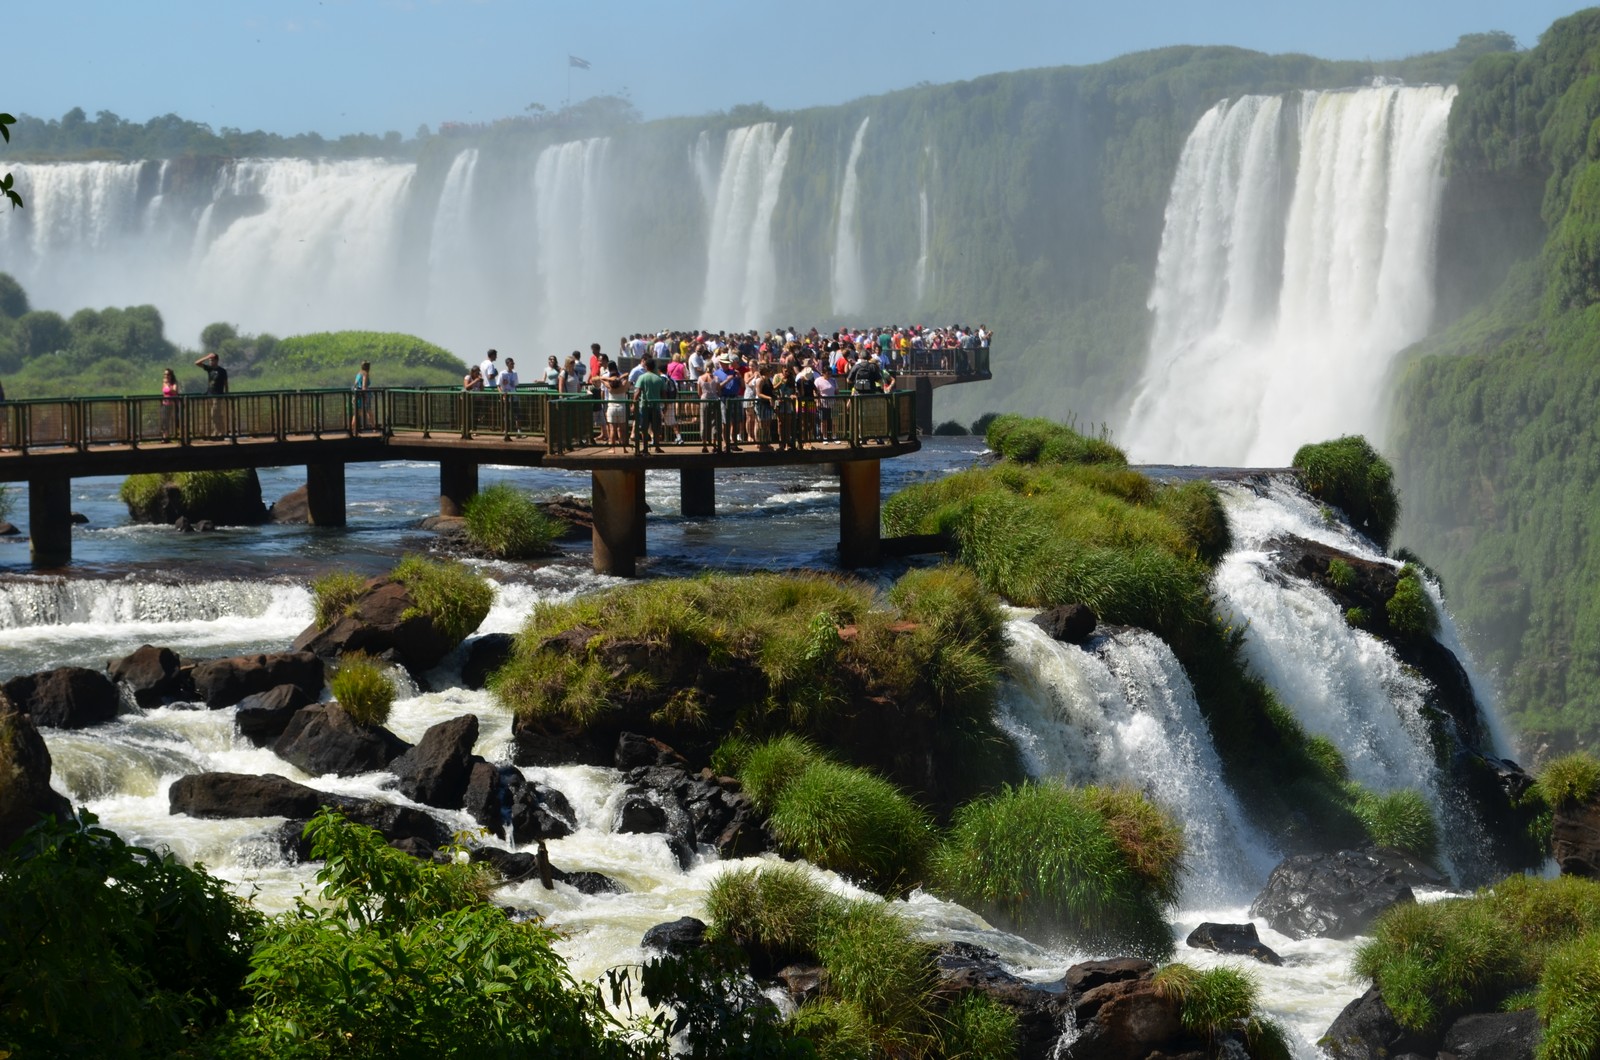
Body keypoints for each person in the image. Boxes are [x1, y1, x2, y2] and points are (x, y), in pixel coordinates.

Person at [633, 356, 667, 453]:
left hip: (644, 406)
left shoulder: (642, 377)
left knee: (644, 428)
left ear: (646, 367)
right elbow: (664, 394)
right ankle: (657, 447)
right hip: (656, 406)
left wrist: (633, 404)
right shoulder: (659, 379)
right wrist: (665, 405)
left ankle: (645, 448)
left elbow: (637, 392)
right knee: (656, 428)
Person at [194, 352, 228, 437]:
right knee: (214, 415)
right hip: (209, 395)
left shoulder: (222, 371)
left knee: (215, 414)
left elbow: (225, 383)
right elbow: (197, 363)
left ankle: (218, 432)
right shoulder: (209, 369)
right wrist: (206, 357)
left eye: (212, 360)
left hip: (218, 395)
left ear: (217, 360)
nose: (210, 362)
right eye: (210, 360)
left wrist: (227, 394)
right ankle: (219, 432)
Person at [498, 356, 520, 434]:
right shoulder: (502, 373)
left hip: (514, 395)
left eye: (513, 363)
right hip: (506, 396)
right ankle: (506, 430)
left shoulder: (515, 373)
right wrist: (502, 394)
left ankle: (518, 430)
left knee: (517, 413)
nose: (513, 365)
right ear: (507, 364)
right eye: (511, 363)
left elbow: (516, 384)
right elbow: (498, 385)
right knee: (506, 413)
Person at [350, 360, 372, 434]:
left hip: (357, 395)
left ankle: (352, 429)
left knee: (357, 413)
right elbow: (364, 386)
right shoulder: (365, 374)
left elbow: (355, 384)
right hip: (363, 396)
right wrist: (365, 396)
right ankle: (374, 428)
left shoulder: (358, 374)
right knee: (368, 411)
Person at [159, 367, 179, 442]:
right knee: (164, 420)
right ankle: (165, 437)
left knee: (174, 421)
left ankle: (173, 436)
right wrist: (166, 384)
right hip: (165, 403)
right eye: (165, 374)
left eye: (167, 374)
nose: (166, 376)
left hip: (172, 404)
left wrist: (168, 385)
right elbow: (164, 392)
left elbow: (174, 391)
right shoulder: (164, 382)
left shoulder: (174, 383)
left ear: (171, 375)